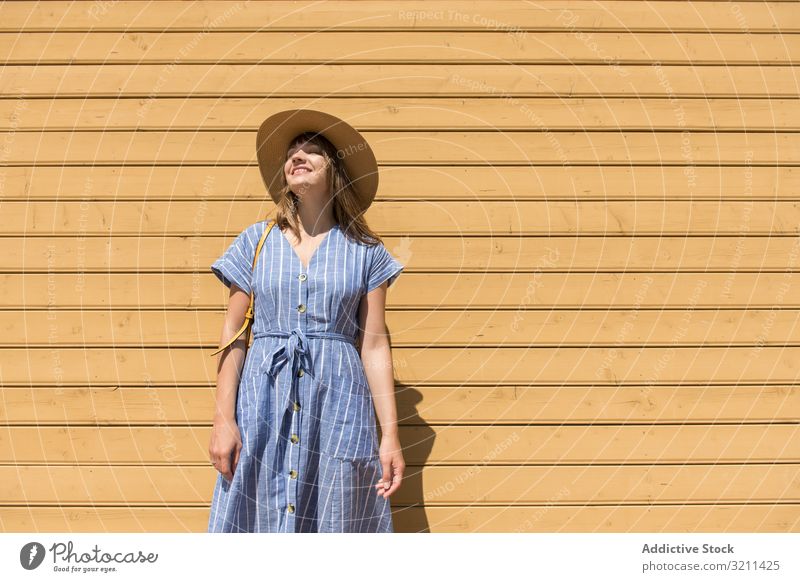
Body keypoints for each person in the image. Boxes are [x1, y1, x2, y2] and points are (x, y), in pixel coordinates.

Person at [207, 109, 405, 532]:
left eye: (312, 150)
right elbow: (234, 334)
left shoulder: (366, 251)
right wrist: (223, 420)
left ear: (335, 170)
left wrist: (389, 435)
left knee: (337, 517)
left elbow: (373, 345)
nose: (298, 154)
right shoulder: (254, 241)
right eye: (292, 151)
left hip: (339, 406)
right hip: (262, 404)